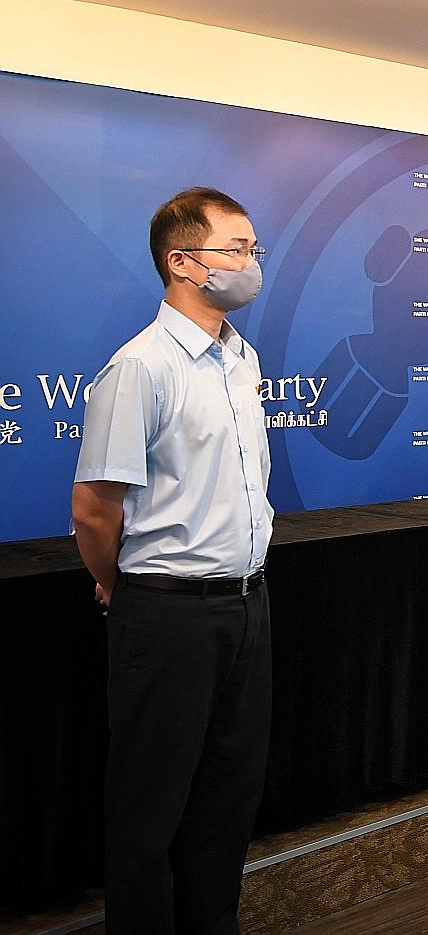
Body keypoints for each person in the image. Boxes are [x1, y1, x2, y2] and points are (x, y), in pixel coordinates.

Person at [72, 187, 273, 934]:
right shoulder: (141, 367)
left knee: (227, 800)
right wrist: (117, 582)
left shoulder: (240, 357)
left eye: (254, 248)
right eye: (237, 249)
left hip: (247, 606)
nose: (252, 263)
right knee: (149, 811)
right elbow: (94, 508)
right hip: (168, 613)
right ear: (181, 261)